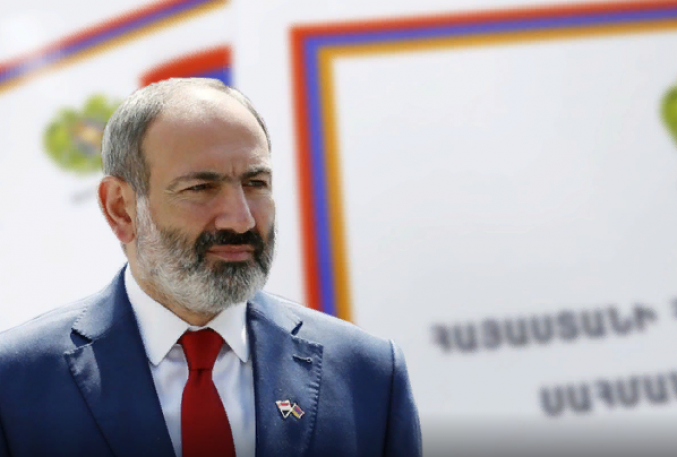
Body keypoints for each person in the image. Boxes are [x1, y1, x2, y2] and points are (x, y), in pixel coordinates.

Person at [0, 78, 421, 457]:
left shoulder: (367, 375)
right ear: (121, 208)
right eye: (201, 187)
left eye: (255, 184)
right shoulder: (15, 383)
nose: (241, 219)